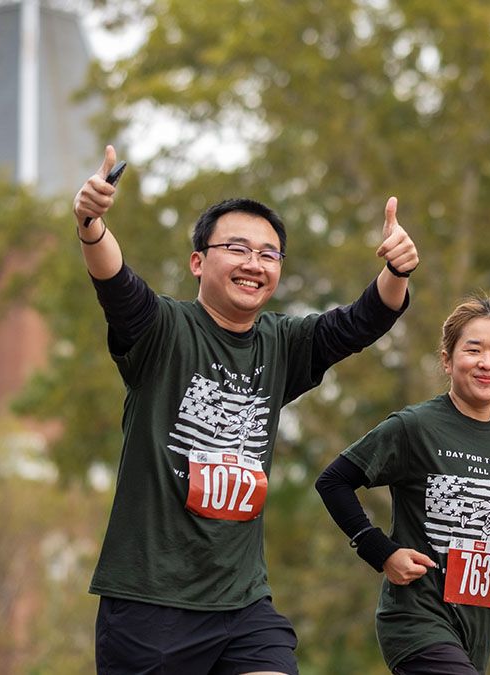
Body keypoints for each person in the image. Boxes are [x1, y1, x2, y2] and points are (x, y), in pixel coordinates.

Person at [72, 145, 420, 675]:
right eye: (237, 248)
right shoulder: (163, 331)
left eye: (268, 254)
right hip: (149, 605)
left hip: (242, 606)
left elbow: (361, 321)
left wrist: (396, 269)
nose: (253, 264)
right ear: (198, 262)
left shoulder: (282, 344)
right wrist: (92, 223)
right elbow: (116, 285)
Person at [315, 294, 490, 674]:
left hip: (476, 627)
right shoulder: (415, 427)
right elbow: (334, 481)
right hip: (415, 621)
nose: (487, 363)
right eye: (473, 350)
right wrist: (381, 552)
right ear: (447, 359)